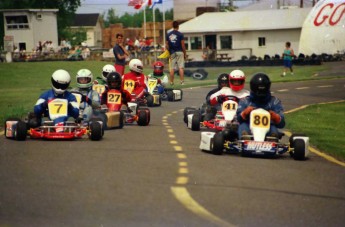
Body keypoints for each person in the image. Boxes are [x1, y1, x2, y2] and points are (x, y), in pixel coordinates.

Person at [237, 73, 285, 139]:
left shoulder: (274, 101)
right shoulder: (245, 101)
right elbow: (238, 119)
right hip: (248, 125)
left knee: (273, 129)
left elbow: (282, 124)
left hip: (268, 127)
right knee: (243, 126)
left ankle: (272, 140)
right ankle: (245, 139)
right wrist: (244, 113)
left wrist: (275, 117)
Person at [166, 20, 187, 85]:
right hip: (179, 51)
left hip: (172, 52)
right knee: (181, 67)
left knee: (172, 68)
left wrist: (169, 52)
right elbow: (183, 45)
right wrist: (185, 53)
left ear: (172, 26)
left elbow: (167, 45)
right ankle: (182, 81)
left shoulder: (169, 34)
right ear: (178, 26)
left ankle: (171, 82)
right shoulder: (180, 34)